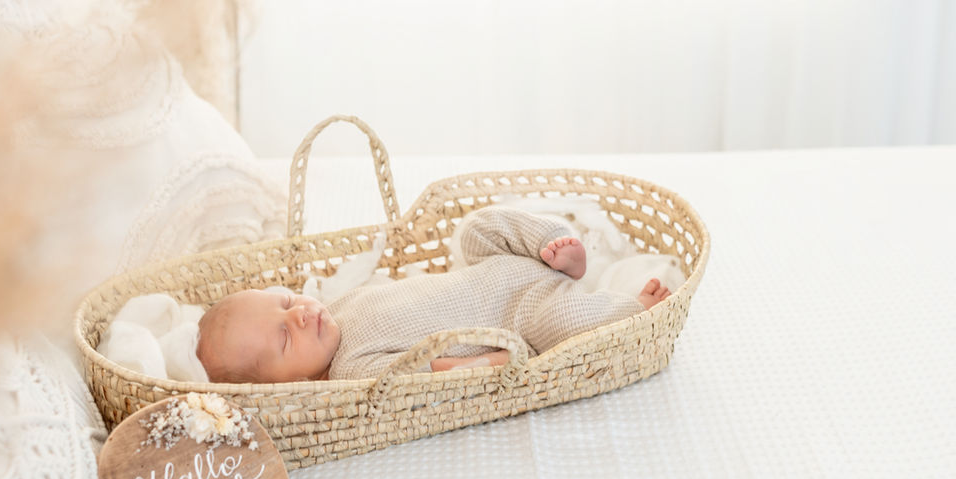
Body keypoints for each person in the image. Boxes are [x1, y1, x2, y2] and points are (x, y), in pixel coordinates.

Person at [195, 206, 671, 383]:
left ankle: (555, 250)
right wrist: (498, 362)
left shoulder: (333, 308)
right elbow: (437, 375)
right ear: (293, 385)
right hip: (522, 312)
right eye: (284, 338)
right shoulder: (352, 371)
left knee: (473, 229)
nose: (299, 315)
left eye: (285, 303)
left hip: (489, 268)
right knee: (566, 326)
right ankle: (631, 310)